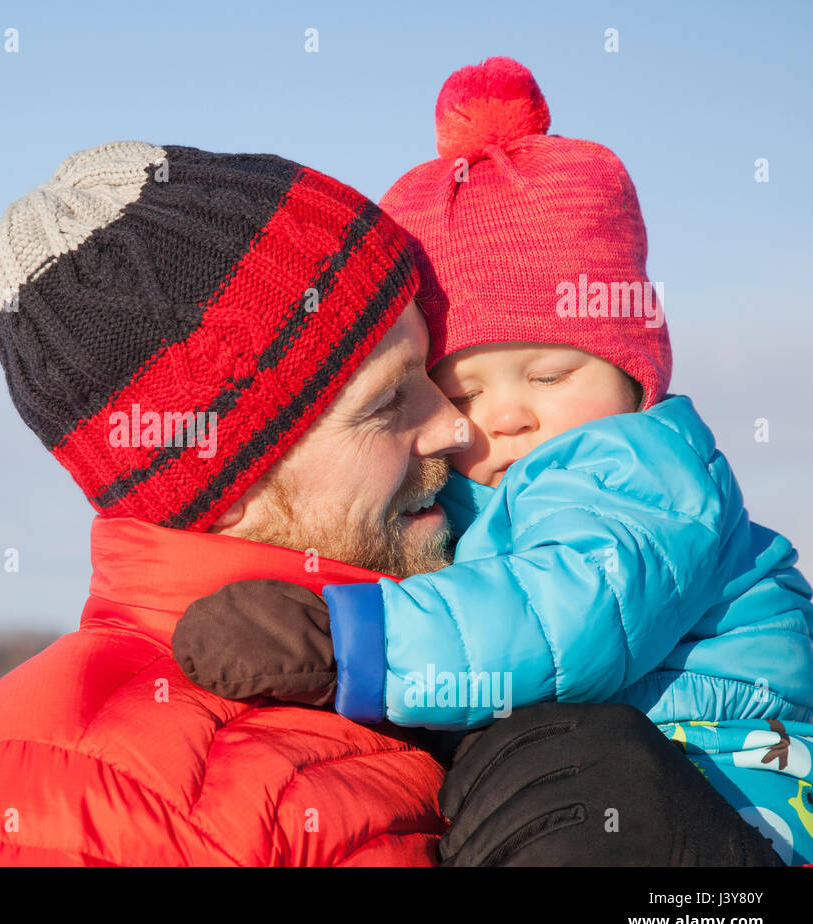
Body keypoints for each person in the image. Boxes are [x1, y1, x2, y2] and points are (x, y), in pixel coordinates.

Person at [0, 140, 779, 866]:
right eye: (390, 400)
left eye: (434, 375)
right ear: (229, 479)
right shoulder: (65, 801)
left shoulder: (408, 693)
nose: (459, 431)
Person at [171, 59, 812, 864]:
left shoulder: (641, 470)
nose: (506, 415)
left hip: (734, 778)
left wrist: (355, 644)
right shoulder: (466, 497)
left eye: (549, 375)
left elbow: (566, 616)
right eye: (464, 391)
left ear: (634, 370)